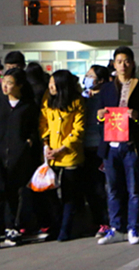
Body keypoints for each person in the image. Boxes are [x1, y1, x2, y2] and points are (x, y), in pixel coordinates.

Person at [96, 47, 139, 245]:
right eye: (119, 61)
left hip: (132, 145)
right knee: (113, 189)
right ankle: (115, 227)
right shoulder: (106, 88)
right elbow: (98, 116)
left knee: (134, 189)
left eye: (127, 61)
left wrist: (137, 116)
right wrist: (100, 116)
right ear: (114, 64)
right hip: (111, 145)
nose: (123, 65)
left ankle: (133, 227)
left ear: (133, 63)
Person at [39, 70, 85, 241]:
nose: (51, 87)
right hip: (51, 154)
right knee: (49, 193)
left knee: (69, 194)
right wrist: (46, 144)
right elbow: (43, 122)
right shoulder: (47, 99)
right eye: (50, 83)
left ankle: (66, 229)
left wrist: (62, 148)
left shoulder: (77, 101)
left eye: (54, 84)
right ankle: (57, 225)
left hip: (69, 154)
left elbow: (78, 129)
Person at [0, 69, 41, 246]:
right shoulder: (1, 102)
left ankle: (11, 227)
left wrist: (28, 143)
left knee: (13, 191)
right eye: (4, 81)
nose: (5, 86)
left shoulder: (28, 106)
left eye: (10, 83)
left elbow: (33, 129)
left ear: (20, 86)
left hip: (18, 156)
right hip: (0, 154)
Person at [81, 65, 111, 239]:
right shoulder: (84, 98)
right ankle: (96, 220)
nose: (87, 78)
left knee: (101, 188)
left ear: (101, 80)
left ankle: (105, 221)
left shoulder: (105, 99)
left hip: (100, 147)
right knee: (89, 188)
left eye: (90, 76)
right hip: (85, 148)